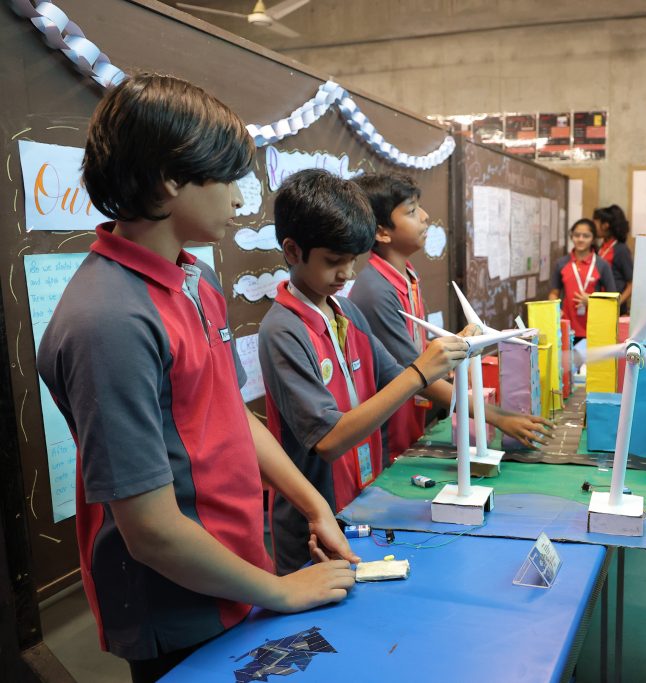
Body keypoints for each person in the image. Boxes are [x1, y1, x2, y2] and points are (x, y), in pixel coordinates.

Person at [36, 74, 359, 683]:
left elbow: (229, 413)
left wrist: (313, 504)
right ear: (169, 179)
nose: (239, 200)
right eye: (228, 179)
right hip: (179, 601)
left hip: (241, 572)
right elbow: (152, 531)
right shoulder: (108, 320)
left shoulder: (194, 280)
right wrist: (282, 591)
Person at [349, 172, 552, 462]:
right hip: (389, 435)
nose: (425, 216)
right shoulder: (375, 291)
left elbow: (417, 353)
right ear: (382, 232)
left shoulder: (407, 275)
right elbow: (416, 373)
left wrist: (457, 347)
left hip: (412, 422)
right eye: (411, 211)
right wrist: (497, 417)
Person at [547, 218, 617, 342]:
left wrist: (592, 300)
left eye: (586, 236)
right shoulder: (561, 263)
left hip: (594, 329)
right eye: (577, 235)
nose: (580, 239)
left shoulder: (602, 265)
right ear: (571, 236)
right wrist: (555, 308)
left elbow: (613, 299)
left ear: (593, 238)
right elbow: (554, 293)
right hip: (566, 328)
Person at [592, 204, 634, 308]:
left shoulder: (621, 250)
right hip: (599, 304)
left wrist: (617, 303)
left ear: (605, 225)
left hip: (613, 307)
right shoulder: (601, 247)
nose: (592, 227)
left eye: (595, 223)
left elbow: (632, 284)